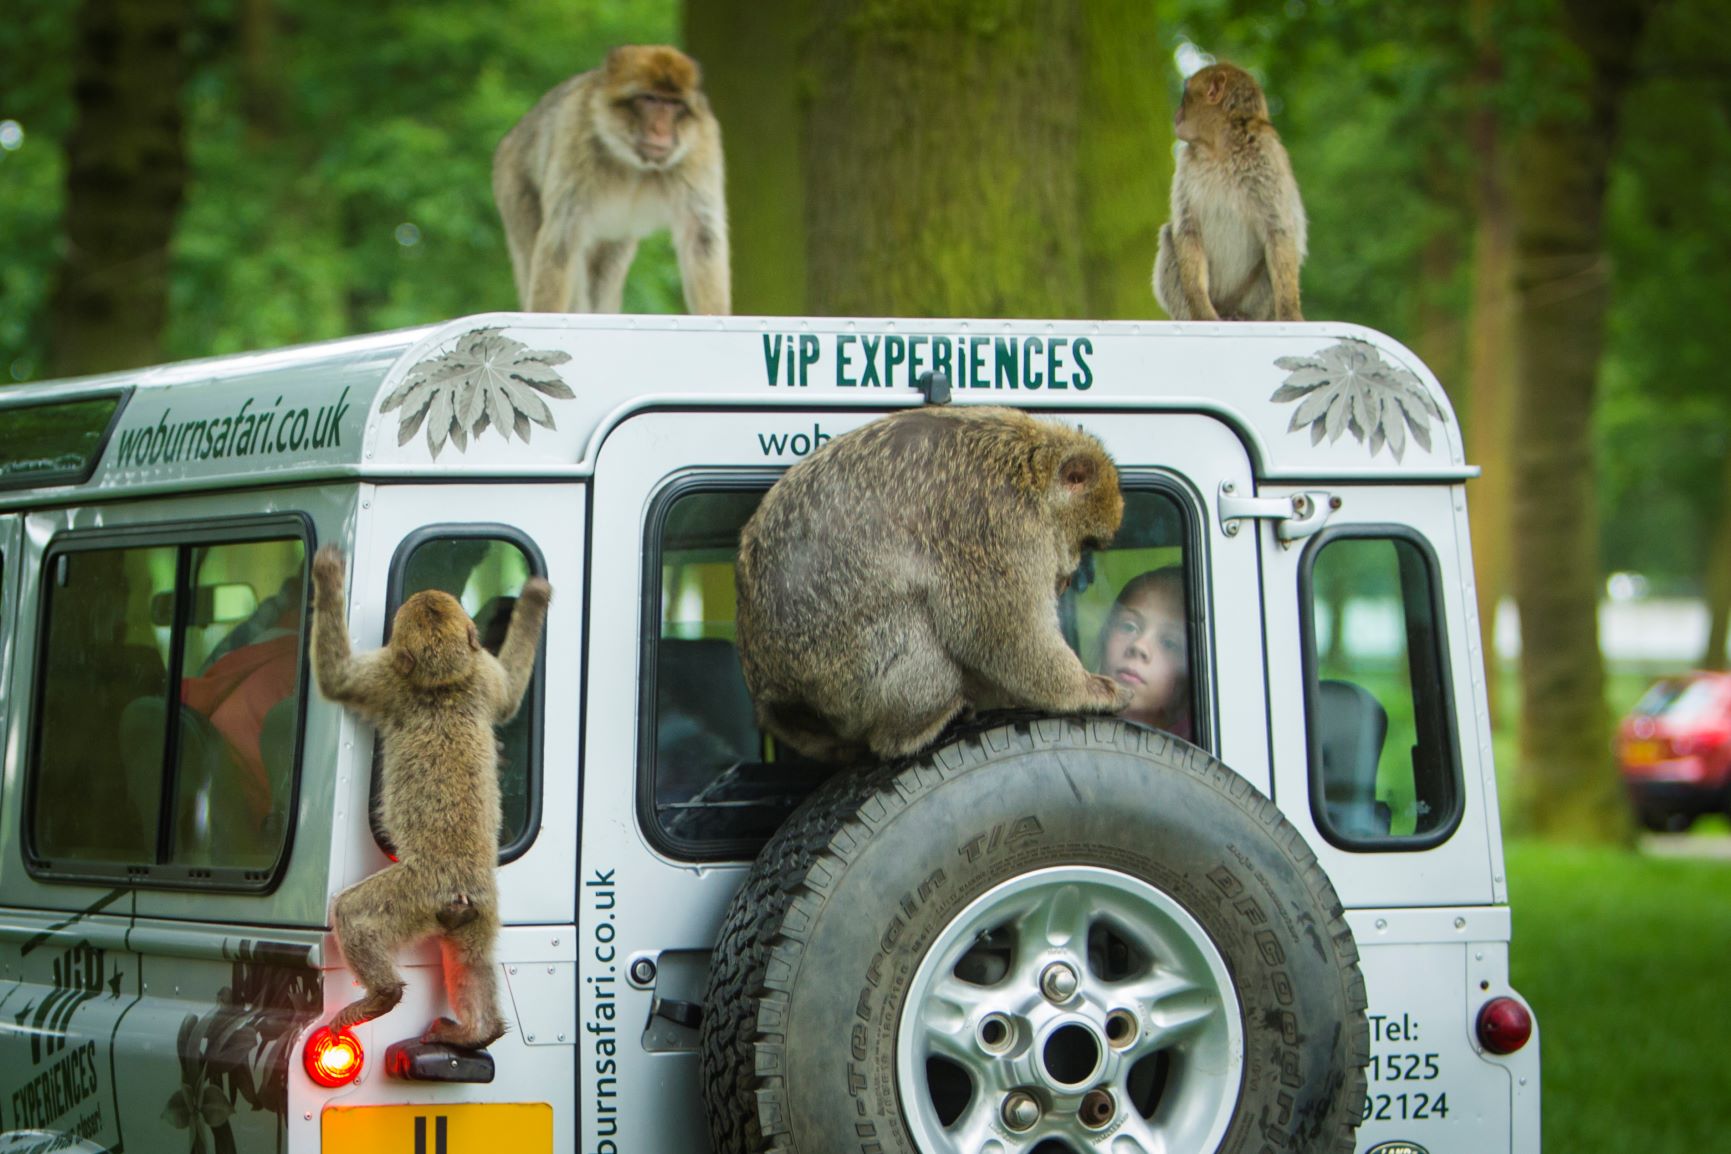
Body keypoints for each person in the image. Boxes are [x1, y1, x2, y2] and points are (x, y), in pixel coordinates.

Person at [1096, 566, 1192, 741]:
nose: (1139, 646)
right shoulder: (1064, 729)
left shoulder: (1196, 755)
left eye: (1169, 643)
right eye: (1128, 626)